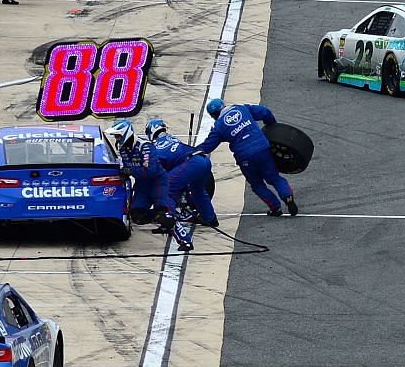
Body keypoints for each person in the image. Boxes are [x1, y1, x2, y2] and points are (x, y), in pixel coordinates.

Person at [195, 98, 297, 217]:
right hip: (262, 148)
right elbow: (265, 111)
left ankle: (275, 208)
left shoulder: (218, 127)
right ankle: (287, 196)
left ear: (213, 115)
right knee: (274, 178)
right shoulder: (242, 108)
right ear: (224, 105)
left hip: (244, 157)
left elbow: (207, 146)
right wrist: (272, 125)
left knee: (257, 184)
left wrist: (192, 151)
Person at [147, 118, 216, 252]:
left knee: (166, 191)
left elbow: (156, 171)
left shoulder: (155, 147)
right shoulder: (172, 138)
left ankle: (172, 224)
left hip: (193, 164)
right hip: (204, 160)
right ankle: (210, 218)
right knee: (198, 190)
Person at [107, 119, 157, 225]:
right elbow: (125, 167)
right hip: (142, 184)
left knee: (165, 212)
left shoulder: (145, 145)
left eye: (118, 136)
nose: (116, 139)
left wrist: (131, 171)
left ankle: (172, 215)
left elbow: (150, 171)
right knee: (137, 216)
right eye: (115, 136)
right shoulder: (123, 149)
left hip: (157, 181)